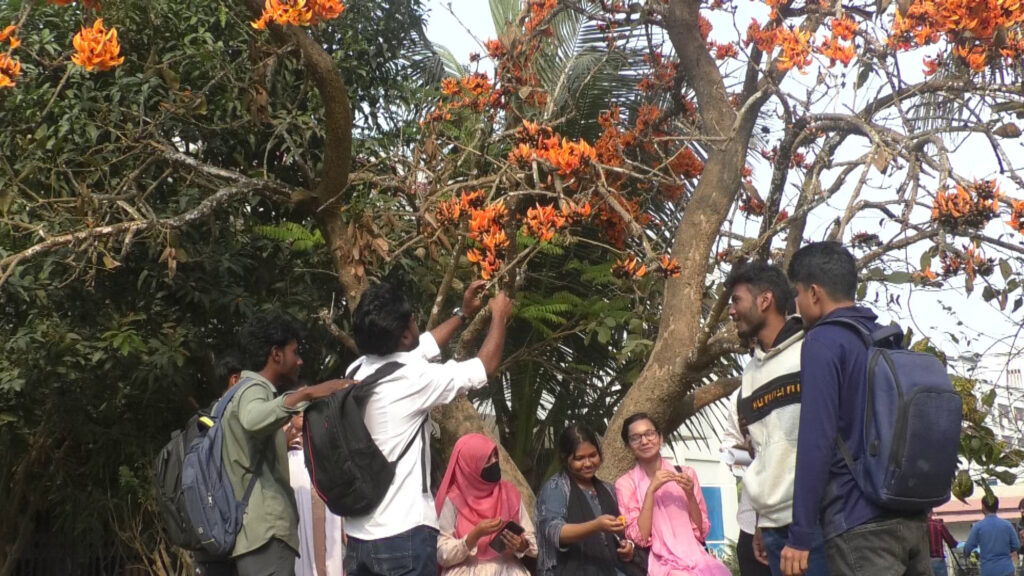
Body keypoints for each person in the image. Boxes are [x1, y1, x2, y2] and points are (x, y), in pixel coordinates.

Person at [780, 241, 932, 576]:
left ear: (814, 293)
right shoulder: (882, 337)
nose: (797, 305)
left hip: (858, 521)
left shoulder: (822, 341)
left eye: (797, 294)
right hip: (909, 514)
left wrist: (800, 533)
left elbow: (816, 440)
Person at [342, 280, 513, 576]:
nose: (416, 324)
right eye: (413, 320)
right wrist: (499, 316)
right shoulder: (413, 379)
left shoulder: (357, 370)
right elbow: (484, 366)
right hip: (402, 535)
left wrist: (463, 314)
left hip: (359, 537)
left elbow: (422, 347)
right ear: (404, 335)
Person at [222, 312, 355, 576]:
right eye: (295, 352)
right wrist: (308, 393)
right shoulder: (253, 389)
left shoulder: (238, 394)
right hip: (265, 535)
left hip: (255, 536)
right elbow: (252, 419)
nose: (299, 360)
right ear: (276, 354)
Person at [724, 261, 828, 576]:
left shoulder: (810, 351)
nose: (731, 311)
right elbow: (763, 453)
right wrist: (761, 520)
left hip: (816, 523)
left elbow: (823, 440)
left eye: (736, 300)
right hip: (771, 528)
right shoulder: (750, 373)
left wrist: (805, 525)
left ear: (765, 300)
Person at [615, 413, 731, 576]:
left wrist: (690, 495)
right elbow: (640, 537)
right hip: (663, 564)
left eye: (649, 434)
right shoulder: (626, 483)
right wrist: (650, 491)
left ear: (660, 438)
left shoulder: (686, 473)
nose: (644, 441)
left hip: (698, 559)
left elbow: (701, 531)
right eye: (636, 438)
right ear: (628, 446)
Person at [536, 423, 641, 576]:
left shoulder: (608, 489)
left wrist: (627, 545)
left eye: (592, 455)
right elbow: (554, 532)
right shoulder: (556, 488)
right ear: (566, 459)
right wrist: (595, 526)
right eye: (579, 458)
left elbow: (619, 531)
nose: (588, 463)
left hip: (612, 568)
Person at [435, 433, 537, 575]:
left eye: (495, 456)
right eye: (487, 460)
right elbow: (442, 554)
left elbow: (533, 545)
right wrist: (474, 536)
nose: (495, 462)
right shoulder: (453, 499)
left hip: (507, 570)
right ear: (470, 466)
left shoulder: (509, 494)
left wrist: (520, 545)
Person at [193, 354, 244, 576]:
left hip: (210, 528)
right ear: (235, 379)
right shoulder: (231, 417)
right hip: (230, 528)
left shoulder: (207, 418)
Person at [285, 412, 344, 576]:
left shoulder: (326, 445)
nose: (302, 414)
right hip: (299, 516)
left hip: (326, 513)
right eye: (297, 412)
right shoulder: (286, 449)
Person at [965, 495, 1020, 576]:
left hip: (988, 570)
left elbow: (967, 549)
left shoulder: (978, 527)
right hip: (1006, 569)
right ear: (997, 507)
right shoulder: (1007, 525)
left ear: (983, 507)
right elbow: (1016, 545)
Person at [928, 511, 958, 576]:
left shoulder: (917, 526)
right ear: (931, 513)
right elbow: (951, 542)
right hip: (937, 559)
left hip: (922, 561)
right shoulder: (938, 524)